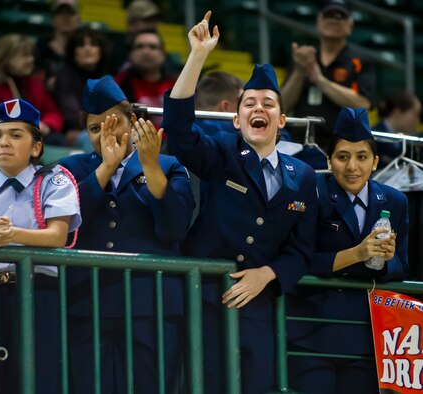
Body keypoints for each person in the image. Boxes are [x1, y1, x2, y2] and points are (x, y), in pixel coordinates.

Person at [162, 12, 318, 394]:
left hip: (261, 307)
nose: (258, 109)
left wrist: (267, 274)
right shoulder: (222, 154)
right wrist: (197, 56)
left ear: (282, 120)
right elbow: (180, 133)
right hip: (208, 302)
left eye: (268, 103)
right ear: (236, 120)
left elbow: (301, 249)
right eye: (249, 104)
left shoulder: (304, 176)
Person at [59, 76, 195, 393]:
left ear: (133, 121)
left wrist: (150, 168)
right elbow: (64, 227)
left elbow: (174, 228)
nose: (105, 135)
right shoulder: (71, 168)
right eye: (95, 129)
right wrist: (106, 168)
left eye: (113, 124)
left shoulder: (168, 165)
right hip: (87, 303)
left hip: (152, 305)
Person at [0, 98, 81, 394]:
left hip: (39, 293)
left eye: (16, 135)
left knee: (39, 380)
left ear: (36, 147)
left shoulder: (55, 180)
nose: (4, 143)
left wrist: (11, 235)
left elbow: (57, 236)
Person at [287, 107, 409, 394]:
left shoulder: (395, 200)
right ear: (329, 161)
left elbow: (403, 266)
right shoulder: (311, 191)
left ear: (375, 162)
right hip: (311, 332)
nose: (352, 167)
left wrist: (383, 263)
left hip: (366, 336)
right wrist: (358, 254)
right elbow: (297, 258)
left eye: (362, 157)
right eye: (343, 157)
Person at [280, 0, 375, 153]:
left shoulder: (360, 61)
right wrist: (299, 71)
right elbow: (281, 106)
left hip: (341, 146)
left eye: (340, 16)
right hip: (299, 145)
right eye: (328, 15)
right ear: (318, 21)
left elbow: (363, 104)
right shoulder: (304, 58)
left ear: (350, 25)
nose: (333, 19)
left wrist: (320, 80)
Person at [0, 34, 64, 145]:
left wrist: (46, 125)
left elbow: (53, 113)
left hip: (30, 137)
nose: (31, 60)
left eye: (31, 55)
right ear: (6, 58)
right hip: (2, 141)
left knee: (56, 139)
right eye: (24, 56)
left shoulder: (34, 84)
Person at [53, 27, 111, 146]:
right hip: (74, 133)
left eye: (93, 44)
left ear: (101, 51)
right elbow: (73, 118)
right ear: (73, 52)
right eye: (81, 45)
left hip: (102, 129)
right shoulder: (65, 75)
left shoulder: (106, 78)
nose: (88, 49)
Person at [115, 29, 177, 127]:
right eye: (140, 46)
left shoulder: (176, 83)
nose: (146, 51)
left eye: (153, 47)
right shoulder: (119, 84)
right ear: (131, 54)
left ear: (163, 55)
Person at [33, 0, 81, 92]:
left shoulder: (85, 50)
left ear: (78, 18)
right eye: (61, 13)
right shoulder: (40, 48)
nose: (66, 18)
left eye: (71, 13)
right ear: (52, 19)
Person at [373, 90, 422, 167]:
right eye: (415, 114)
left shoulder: (404, 141)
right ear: (398, 111)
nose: (418, 121)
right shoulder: (374, 137)